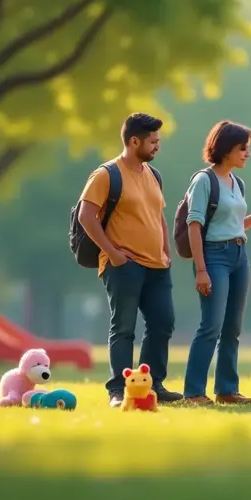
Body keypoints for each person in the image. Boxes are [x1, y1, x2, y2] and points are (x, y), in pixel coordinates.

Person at [77, 112, 183, 407]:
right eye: (152, 141)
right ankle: (118, 390)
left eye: (158, 141)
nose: (157, 146)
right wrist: (112, 253)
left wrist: (166, 251)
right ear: (134, 141)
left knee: (163, 323)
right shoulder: (106, 174)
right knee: (123, 327)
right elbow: (86, 215)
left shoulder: (153, 175)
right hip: (124, 265)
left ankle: (153, 385)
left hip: (157, 266)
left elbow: (158, 214)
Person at [181, 120, 251, 406]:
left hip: (238, 255)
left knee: (232, 327)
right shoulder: (203, 180)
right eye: (242, 148)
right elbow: (195, 225)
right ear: (225, 149)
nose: (247, 153)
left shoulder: (238, 182)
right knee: (211, 324)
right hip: (213, 256)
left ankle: (226, 389)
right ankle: (194, 392)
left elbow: (232, 226)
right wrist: (201, 269)